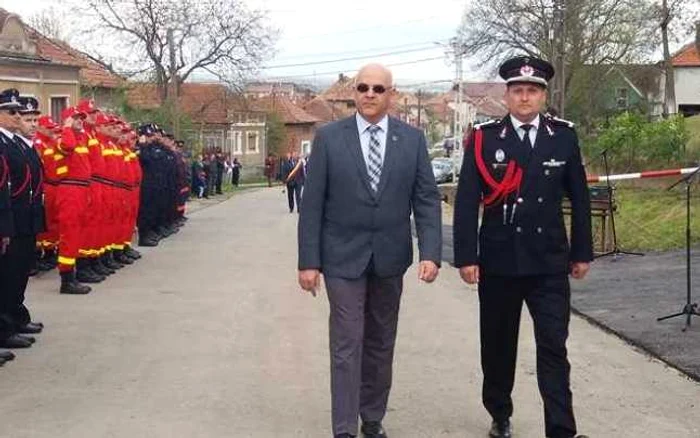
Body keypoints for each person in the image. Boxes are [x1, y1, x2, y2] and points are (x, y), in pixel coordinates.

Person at [298, 63, 442, 438]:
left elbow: (426, 199)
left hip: (390, 257)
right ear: (354, 93)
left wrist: (430, 251)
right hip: (342, 256)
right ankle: (344, 427)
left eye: (379, 89)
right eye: (363, 87)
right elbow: (312, 204)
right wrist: (308, 262)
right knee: (347, 340)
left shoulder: (411, 140)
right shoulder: (329, 137)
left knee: (380, 340)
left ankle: (372, 417)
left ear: (390, 94)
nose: (370, 94)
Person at [453, 56, 592, 438]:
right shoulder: (485, 138)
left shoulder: (563, 135)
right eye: (518, 91)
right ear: (507, 95)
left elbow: (578, 198)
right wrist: (466, 256)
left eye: (532, 91)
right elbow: (467, 200)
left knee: (553, 347)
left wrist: (581, 252)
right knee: (498, 347)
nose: (525, 98)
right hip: (500, 261)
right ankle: (499, 412)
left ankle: (561, 428)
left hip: (548, 262)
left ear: (543, 95)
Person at [0, 90, 45, 349]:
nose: (19, 116)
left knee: (18, 272)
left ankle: (15, 318)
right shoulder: (4, 143)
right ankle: (6, 326)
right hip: (12, 216)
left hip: (23, 215)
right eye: (13, 112)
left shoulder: (15, 143)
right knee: (8, 275)